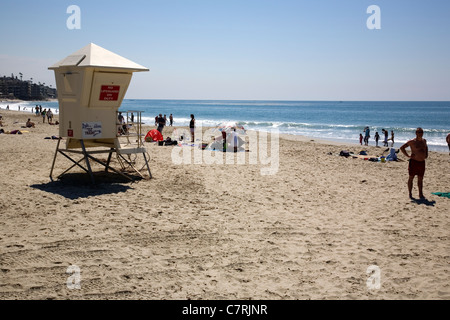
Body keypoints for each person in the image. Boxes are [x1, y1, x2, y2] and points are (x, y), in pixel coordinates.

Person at [400, 127, 428, 199]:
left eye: (421, 132)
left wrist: (426, 154)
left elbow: (426, 147)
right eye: (419, 132)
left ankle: (420, 194)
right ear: (416, 133)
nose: (420, 133)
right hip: (414, 162)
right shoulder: (412, 142)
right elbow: (402, 148)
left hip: (422, 162)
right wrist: (408, 156)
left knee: (420, 179)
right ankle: (410, 193)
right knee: (411, 177)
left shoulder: (424, 141)